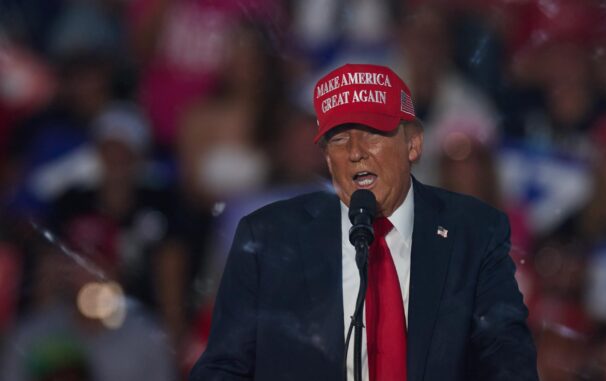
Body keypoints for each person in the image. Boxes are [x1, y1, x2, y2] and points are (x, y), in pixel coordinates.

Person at [190, 63, 538, 380]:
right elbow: (224, 367)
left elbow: (508, 363)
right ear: (327, 158)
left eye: (373, 133)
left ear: (413, 144)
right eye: (339, 139)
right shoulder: (268, 238)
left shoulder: (473, 233)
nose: (355, 152)